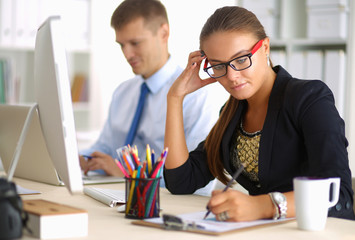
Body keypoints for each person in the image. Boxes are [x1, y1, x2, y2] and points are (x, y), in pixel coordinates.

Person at [163, 6, 355, 221]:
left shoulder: (309, 98)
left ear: (265, 47)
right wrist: (175, 98)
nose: (232, 76)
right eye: (218, 66)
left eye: (242, 59)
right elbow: (181, 181)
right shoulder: (231, 113)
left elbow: (337, 195)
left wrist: (262, 206)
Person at [79, 0, 219, 190]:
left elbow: (195, 175)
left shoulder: (196, 95)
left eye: (135, 43)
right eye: (121, 45)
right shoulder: (123, 92)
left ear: (164, 33)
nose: (127, 54)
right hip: (115, 195)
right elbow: (105, 148)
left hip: (164, 203)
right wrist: (79, 159)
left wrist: (130, 175)